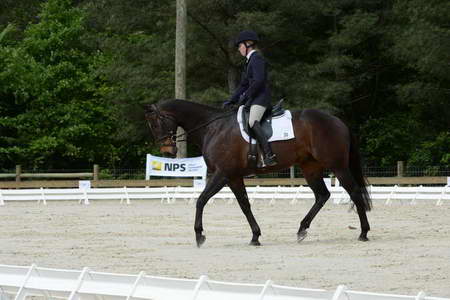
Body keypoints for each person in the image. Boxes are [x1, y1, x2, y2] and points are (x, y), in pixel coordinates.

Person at [223, 30, 277, 167]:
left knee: (253, 121)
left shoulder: (257, 58)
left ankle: (269, 155)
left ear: (248, 44)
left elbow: (258, 81)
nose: (239, 49)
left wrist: (245, 96)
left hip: (261, 98)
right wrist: (232, 100)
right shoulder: (248, 62)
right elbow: (243, 85)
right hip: (253, 99)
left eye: (240, 46)